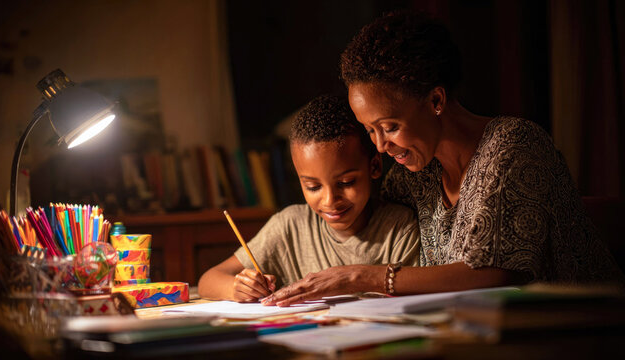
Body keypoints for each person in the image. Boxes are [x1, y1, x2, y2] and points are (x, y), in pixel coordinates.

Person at [263, 11, 623, 306]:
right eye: (369, 130)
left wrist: (361, 275)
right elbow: (365, 218)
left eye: (389, 126)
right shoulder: (414, 174)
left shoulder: (514, 146)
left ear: (436, 101)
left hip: (578, 330)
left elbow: (494, 274)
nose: (381, 145)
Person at [197, 95, 420, 303]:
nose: (330, 200)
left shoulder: (400, 228)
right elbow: (209, 279)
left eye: (345, 183)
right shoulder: (290, 226)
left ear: (374, 166)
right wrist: (237, 287)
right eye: (313, 187)